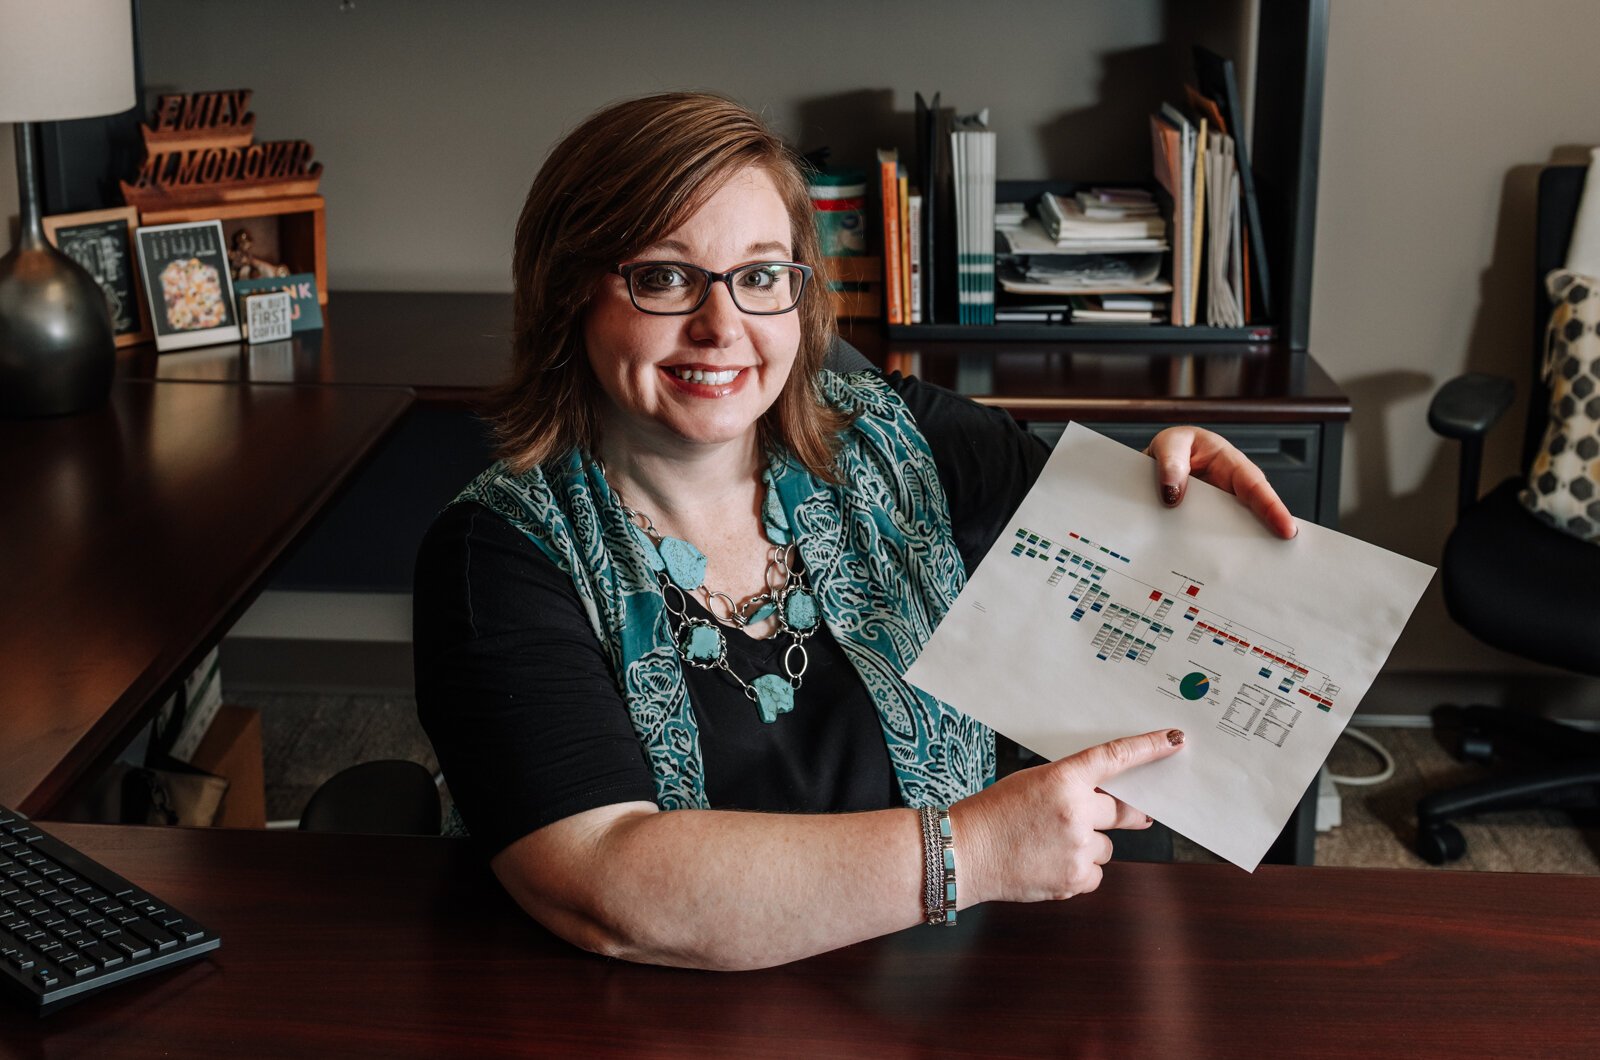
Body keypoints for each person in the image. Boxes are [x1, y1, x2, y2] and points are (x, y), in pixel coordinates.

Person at [413, 92, 1296, 972]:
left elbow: (1137, 577)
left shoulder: (891, 434)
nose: (723, 328)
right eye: (665, 276)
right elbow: (607, 885)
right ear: (568, 292)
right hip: (656, 1021)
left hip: (941, 996)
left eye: (761, 276)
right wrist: (971, 853)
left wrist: (1172, 499)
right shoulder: (496, 556)